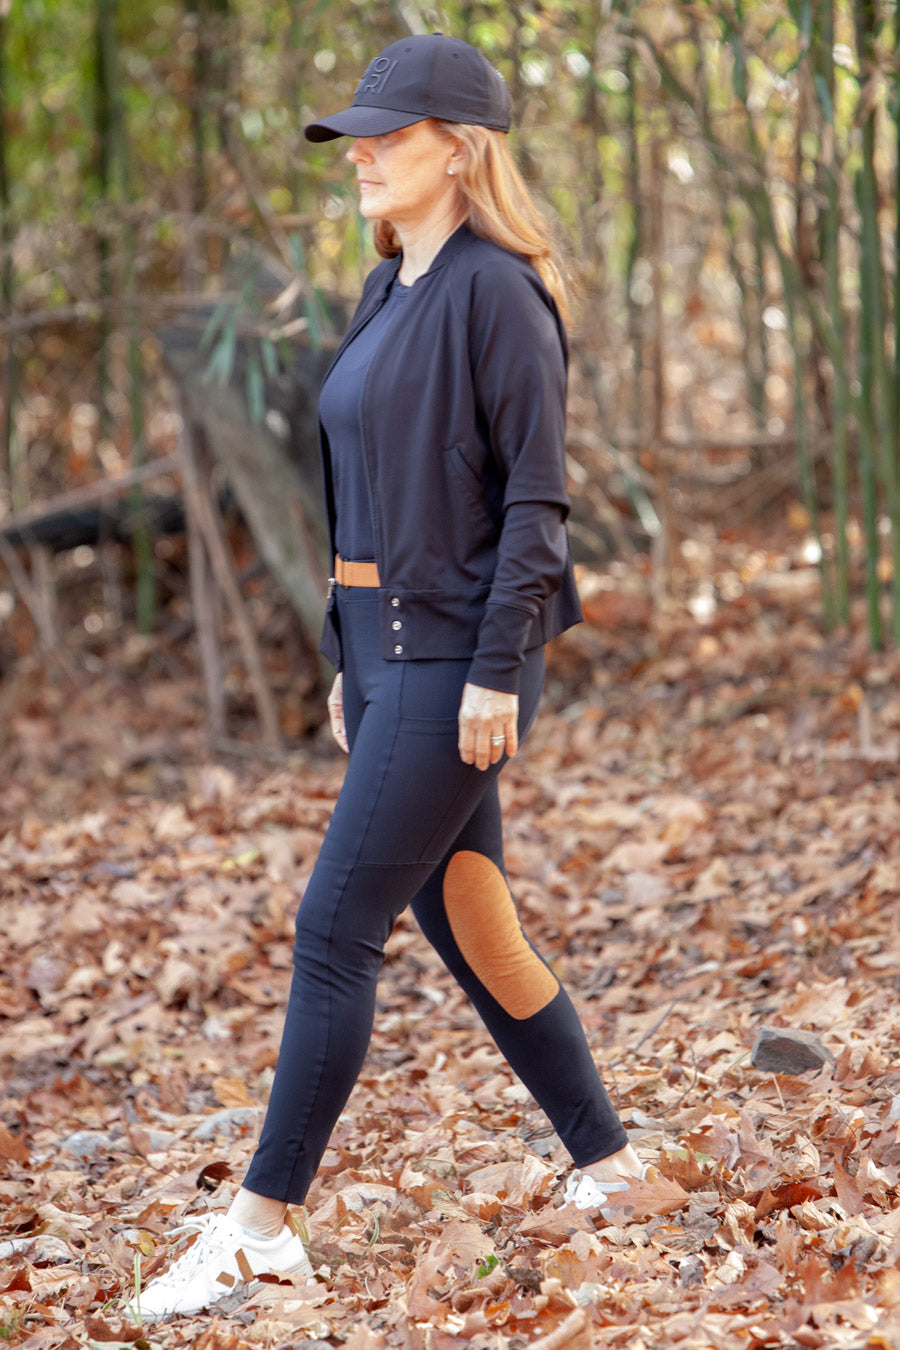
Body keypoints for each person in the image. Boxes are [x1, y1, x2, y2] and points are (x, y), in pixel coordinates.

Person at [128, 33, 646, 1323]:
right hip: (385, 654)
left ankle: (261, 1232)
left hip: (458, 658)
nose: (357, 155)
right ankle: (615, 1168)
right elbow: (359, 488)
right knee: (473, 924)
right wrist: (341, 653)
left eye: (384, 136)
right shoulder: (387, 286)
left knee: (331, 932)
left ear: (458, 150)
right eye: (352, 136)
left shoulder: (498, 294)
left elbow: (537, 504)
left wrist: (497, 672)